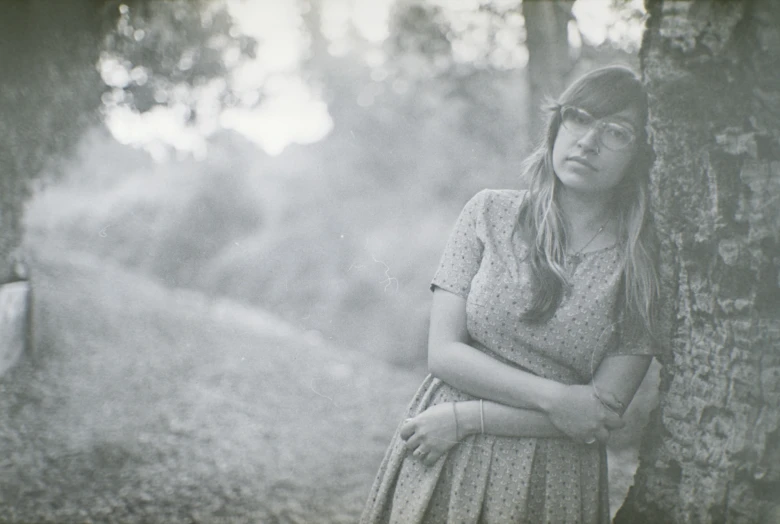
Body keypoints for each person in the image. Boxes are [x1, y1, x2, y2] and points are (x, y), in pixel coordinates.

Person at [360, 65, 660, 524]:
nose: (588, 141)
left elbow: (601, 413)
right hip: (444, 454)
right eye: (578, 118)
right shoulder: (490, 213)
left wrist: (468, 418)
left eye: (616, 132)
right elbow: (443, 353)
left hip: (551, 478)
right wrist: (559, 400)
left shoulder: (643, 263)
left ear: (641, 154)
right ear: (557, 126)